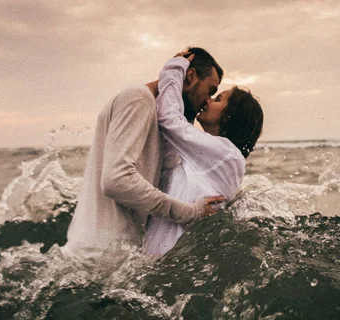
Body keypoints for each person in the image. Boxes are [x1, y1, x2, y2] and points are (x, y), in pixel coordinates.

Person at [63, 47, 226, 266]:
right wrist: (190, 212)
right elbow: (116, 180)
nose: (207, 101)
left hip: (113, 261)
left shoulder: (158, 120)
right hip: (96, 260)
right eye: (210, 90)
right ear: (192, 76)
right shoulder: (139, 99)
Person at [146, 52, 264, 256]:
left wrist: (174, 69)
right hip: (159, 260)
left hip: (161, 259)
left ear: (229, 117)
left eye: (218, 99)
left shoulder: (226, 154)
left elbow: (168, 118)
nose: (208, 101)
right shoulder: (214, 157)